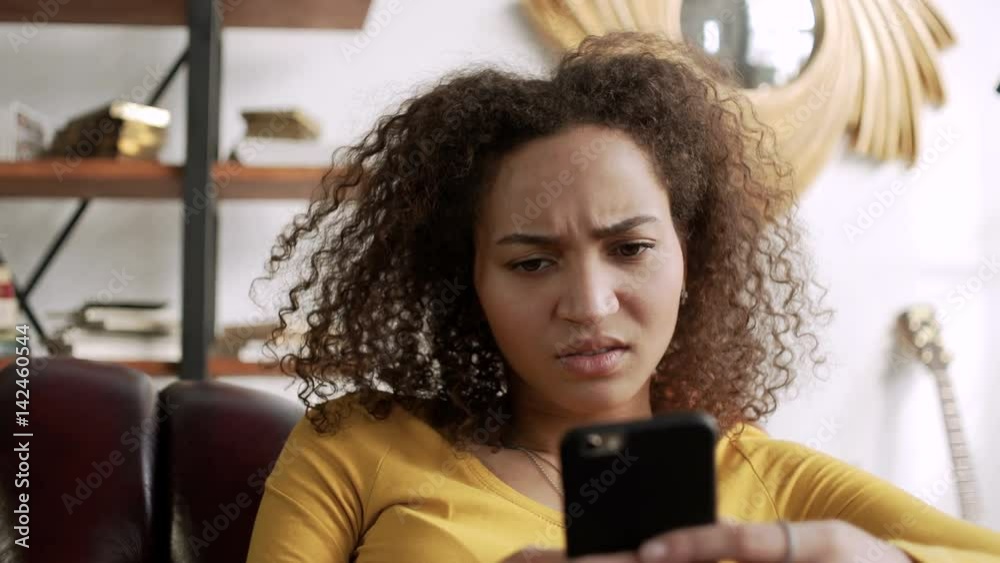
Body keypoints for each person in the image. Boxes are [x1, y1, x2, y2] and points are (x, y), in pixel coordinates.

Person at [245, 32, 1000, 562]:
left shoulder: (774, 481)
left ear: (689, 258)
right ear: (466, 279)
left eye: (629, 249)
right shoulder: (352, 447)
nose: (590, 303)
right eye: (533, 263)